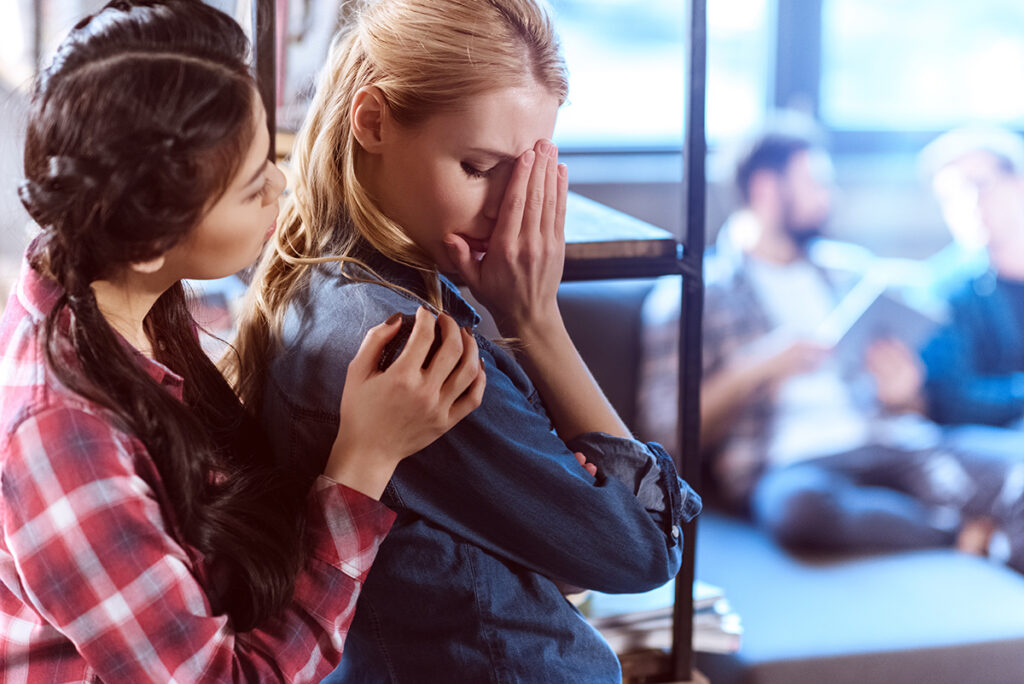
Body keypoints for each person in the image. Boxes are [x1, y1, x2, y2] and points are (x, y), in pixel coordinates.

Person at [0, 1, 485, 681]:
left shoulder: (109, 282)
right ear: (150, 236)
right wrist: (364, 462)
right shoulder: (62, 442)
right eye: (253, 185)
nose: (281, 188)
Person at [231, 0, 701, 680]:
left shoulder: (324, 281)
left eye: (528, 174)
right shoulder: (406, 350)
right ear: (372, 121)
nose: (506, 210)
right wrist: (536, 321)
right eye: (478, 167)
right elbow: (642, 550)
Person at [639, 118, 1024, 569]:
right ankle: (961, 534)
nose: (830, 196)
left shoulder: (853, 274)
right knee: (798, 509)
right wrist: (756, 369)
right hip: (796, 462)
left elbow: (915, 407)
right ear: (766, 188)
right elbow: (664, 436)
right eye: (815, 182)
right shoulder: (694, 296)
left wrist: (905, 395)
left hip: (894, 444)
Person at [872, 126, 1024, 428]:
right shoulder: (940, 293)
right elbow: (954, 401)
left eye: (979, 184)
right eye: (951, 196)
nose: (968, 204)